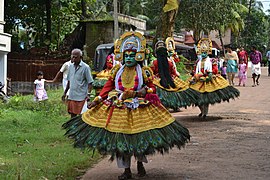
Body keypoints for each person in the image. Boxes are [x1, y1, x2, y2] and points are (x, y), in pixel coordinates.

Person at [62, 32, 190, 180]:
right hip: (119, 108)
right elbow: (107, 88)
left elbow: (152, 88)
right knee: (121, 140)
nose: (129, 58)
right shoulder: (116, 71)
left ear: (138, 56)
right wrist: (96, 100)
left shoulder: (144, 71)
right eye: (126, 55)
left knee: (139, 138)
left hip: (139, 108)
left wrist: (141, 92)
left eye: (132, 55)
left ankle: (140, 165)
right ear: (122, 56)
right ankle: (126, 170)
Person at [189, 38, 240, 118]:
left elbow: (215, 70)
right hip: (198, 80)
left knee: (206, 99)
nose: (203, 54)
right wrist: (194, 74)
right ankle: (202, 111)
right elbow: (195, 70)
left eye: (205, 52)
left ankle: (205, 113)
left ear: (208, 52)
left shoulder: (212, 61)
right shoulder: (197, 62)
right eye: (202, 52)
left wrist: (208, 75)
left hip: (208, 80)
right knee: (195, 98)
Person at [151, 40, 200, 112]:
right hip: (169, 80)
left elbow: (151, 73)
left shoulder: (154, 63)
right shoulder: (169, 63)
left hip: (160, 81)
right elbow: (174, 73)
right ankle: (175, 105)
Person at [62, 48, 93, 118]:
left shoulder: (86, 67)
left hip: (81, 96)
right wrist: (65, 93)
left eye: (75, 57)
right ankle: (72, 128)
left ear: (80, 57)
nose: (73, 59)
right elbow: (69, 81)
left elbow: (90, 82)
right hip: (72, 95)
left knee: (81, 116)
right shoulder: (70, 67)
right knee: (72, 114)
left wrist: (88, 94)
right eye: (72, 57)